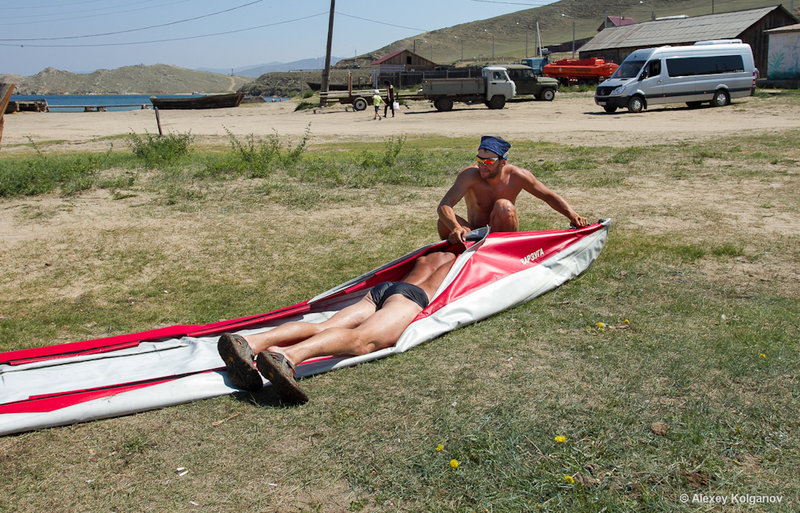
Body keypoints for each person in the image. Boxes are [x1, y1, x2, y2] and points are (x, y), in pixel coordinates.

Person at [218, 251, 457, 403]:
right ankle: (287, 356)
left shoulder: (433, 253)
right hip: (410, 298)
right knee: (362, 340)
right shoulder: (466, 258)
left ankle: (250, 342)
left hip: (385, 289)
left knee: (324, 327)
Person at [437, 135, 588, 245]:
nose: (482, 166)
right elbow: (445, 204)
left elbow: (548, 196)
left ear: (503, 162)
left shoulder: (517, 176)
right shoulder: (469, 175)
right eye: (479, 160)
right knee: (444, 221)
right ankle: (455, 255)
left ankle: (504, 250)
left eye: (489, 161)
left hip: (501, 236)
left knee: (504, 206)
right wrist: (456, 228)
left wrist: (573, 215)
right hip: (474, 232)